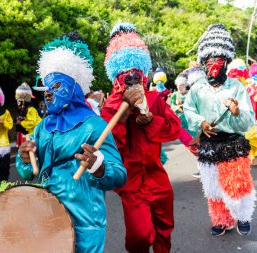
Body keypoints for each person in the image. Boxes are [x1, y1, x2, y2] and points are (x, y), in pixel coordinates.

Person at [17, 31, 126, 252]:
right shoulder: (42, 127)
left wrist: (99, 167)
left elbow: (119, 175)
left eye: (55, 87)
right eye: (46, 89)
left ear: (73, 87)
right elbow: (29, 173)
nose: (47, 94)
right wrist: (24, 159)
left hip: (85, 219)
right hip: (49, 216)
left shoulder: (94, 125)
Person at [102, 22, 180, 253]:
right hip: (132, 184)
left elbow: (173, 129)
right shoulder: (111, 107)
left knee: (165, 229)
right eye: (126, 75)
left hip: (159, 180)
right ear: (116, 77)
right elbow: (110, 145)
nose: (132, 80)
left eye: (137, 74)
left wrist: (150, 120)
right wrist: (124, 114)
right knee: (140, 235)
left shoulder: (155, 99)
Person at [183, 23, 256, 236]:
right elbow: (188, 111)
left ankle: (242, 217)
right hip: (209, 146)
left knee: (237, 187)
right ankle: (221, 220)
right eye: (209, 61)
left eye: (218, 61)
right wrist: (201, 123)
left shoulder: (236, 87)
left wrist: (236, 112)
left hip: (233, 143)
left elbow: (247, 121)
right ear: (203, 63)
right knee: (213, 189)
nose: (213, 65)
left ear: (226, 62)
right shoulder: (197, 88)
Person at [227, 59, 257, 166]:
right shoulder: (229, 85)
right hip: (233, 115)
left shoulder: (249, 83)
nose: (236, 75)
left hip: (246, 113)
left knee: (251, 135)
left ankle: (256, 154)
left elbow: (255, 93)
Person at [14, 82, 41, 147]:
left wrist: (20, 123)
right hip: (31, 135)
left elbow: (32, 123)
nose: (18, 103)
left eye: (19, 101)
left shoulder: (31, 110)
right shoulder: (25, 110)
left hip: (36, 135)